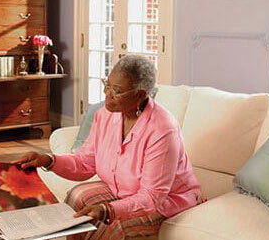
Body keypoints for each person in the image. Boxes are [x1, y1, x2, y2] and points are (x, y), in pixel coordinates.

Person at [14, 54, 203, 240]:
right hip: (122, 191)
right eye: (107, 85)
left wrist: (108, 210)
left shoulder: (162, 129)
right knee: (77, 197)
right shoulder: (105, 115)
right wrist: (48, 160)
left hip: (166, 201)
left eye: (116, 90)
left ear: (140, 95)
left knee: (113, 225)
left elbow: (151, 197)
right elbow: (84, 163)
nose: (107, 94)